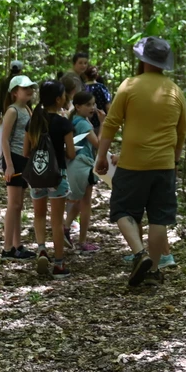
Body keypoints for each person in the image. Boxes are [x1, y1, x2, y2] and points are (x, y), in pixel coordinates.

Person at [94, 36, 186, 288]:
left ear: (143, 60)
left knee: (122, 209)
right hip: (164, 165)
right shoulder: (175, 91)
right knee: (159, 217)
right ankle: (153, 271)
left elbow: (111, 123)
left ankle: (139, 253)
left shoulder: (130, 86)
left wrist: (101, 156)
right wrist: (174, 160)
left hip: (133, 163)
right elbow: (181, 132)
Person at [24, 80, 77, 278]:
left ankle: (41, 250)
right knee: (56, 221)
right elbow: (71, 153)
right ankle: (59, 264)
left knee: (38, 215)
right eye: (63, 95)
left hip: (37, 176)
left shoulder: (34, 122)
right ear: (58, 99)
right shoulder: (64, 124)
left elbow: (26, 152)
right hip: (57, 176)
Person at [0, 75, 38, 260]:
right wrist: (9, 165)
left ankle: (17, 245)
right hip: (13, 159)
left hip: (24, 160)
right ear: (14, 92)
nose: (29, 90)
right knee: (13, 204)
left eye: (30, 87)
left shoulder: (27, 109)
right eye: (24, 88)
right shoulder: (12, 111)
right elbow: (5, 139)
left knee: (19, 205)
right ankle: (7, 249)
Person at [65, 90, 101, 253]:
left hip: (76, 164)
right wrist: (104, 123)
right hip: (83, 164)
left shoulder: (75, 120)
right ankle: (82, 242)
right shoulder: (84, 124)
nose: (92, 107)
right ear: (78, 107)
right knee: (86, 203)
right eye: (88, 105)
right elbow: (98, 144)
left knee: (80, 201)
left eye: (93, 104)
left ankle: (66, 228)